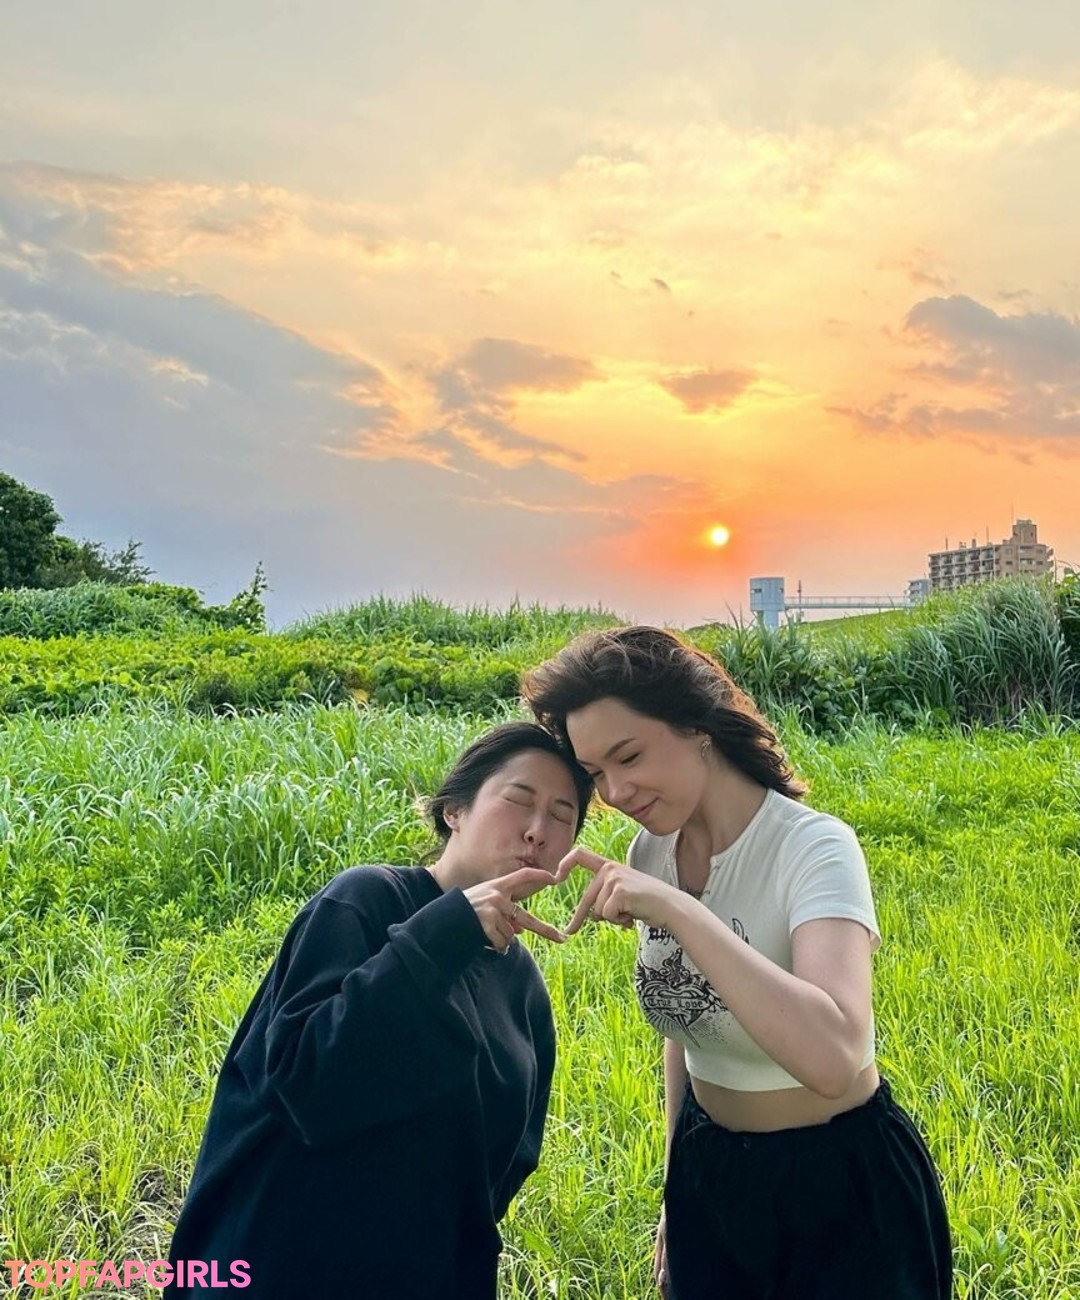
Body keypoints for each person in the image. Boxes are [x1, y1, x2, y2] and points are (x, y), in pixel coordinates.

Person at [523, 626, 952, 1300]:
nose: (616, 791)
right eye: (597, 773)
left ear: (696, 727)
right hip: (710, 1171)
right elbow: (685, 1026)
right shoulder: (651, 852)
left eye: (628, 756)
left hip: (842, 1189)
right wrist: (676, 1182)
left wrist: (681, 912)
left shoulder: (813, 848)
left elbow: (836, 1056)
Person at [165, 721, 592, 1300]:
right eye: (518, 800)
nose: (538, 830)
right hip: (280, 1271)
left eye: (563, 816)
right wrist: (447, 931)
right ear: (454, 811)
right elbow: (303, 1080)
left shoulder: (523, 987)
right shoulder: (365, 901)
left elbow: (508, 1159)